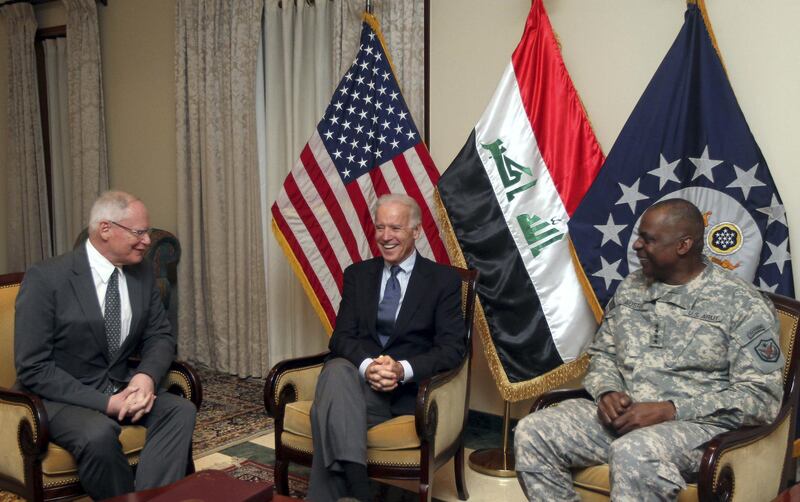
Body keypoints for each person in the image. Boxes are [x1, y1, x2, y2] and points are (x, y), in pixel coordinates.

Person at [514, 198, 784, 501]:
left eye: (649, 239)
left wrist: (671, 410)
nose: (637, 245)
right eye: (639, 236)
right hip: (623, 419)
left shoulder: (740, 303)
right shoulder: (632, 287)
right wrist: (607, 391)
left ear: (683, 245)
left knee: (635, 452)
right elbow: (603, 354)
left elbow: (761, 397)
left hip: (699, 430)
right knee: (534, 431)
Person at [14, 190, 196, 500]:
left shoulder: (141, 274)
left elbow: (160, 336)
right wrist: (105, 404)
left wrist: (146, 377)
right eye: (138, 233)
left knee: (179, 410)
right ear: (105, 229)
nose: (147, 241)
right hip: (60, 397)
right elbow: (34, 367)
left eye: (147, 233)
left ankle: (152, 498)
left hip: (121, 385)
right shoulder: (46, 278)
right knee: (98, 433)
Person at [307, 194, 466, 502]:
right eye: (380, 227)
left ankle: (348, 493)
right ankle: (361, 492)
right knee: (337, 369)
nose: (385, 236)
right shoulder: (358, 274)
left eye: (395, 227)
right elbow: (340, 338)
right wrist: (369, 367)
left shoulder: (442, 280)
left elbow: (451, 349)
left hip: (408, 396)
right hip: (359, 389)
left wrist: (400, 370)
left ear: (416, 231)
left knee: (323, 410)